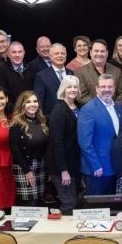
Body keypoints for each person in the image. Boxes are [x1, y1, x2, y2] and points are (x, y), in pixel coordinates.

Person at [78, 74, 122, 195]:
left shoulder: (118, 108)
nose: (107, 90)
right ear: (96, 88)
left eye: (110, 86)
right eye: (103, 86)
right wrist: (95, 165)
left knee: (111, 207)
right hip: (97, 169)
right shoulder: (88, 110)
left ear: (114, 88)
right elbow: (85, 143)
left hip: (114, 166)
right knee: (96, 208)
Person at [48, 76, 82, 214]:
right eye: (69, 87)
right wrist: (63, 170)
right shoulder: (59, 110)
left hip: (74, 163)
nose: (72, 89)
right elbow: (57, 142)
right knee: (69, 203)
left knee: (75, 201)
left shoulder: (78, 107)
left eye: (75, 86)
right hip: (61, 167)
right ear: (63, 89)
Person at [9, 91, 49, 206]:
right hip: (24, 167)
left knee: (39, 200)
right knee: (29, 203)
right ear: (22, 105)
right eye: (28, 102)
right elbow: (14, 149)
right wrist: (27, 171)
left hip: (40, 166)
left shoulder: (42, 121)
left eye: (35, 101)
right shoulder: (17, 124)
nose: (33, 104)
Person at [76, 39, 122, 106]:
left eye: (102, 51)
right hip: (92, 113)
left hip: (113, 111)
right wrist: (101, 107)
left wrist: (114, 107)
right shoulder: (80, 72)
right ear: (90, 52)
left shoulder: (117, 70)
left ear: (107, 53)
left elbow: (121, 93)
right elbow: (81, 96)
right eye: (96, 51)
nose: (99, 54)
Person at [34, 43, 73, 115]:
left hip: (71, 118)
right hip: (51, 119)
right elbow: (39, 101)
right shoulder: (41, 76)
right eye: (56, 54)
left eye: (63, 53)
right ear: (50, 56)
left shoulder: (72, 73)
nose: (60, 56)